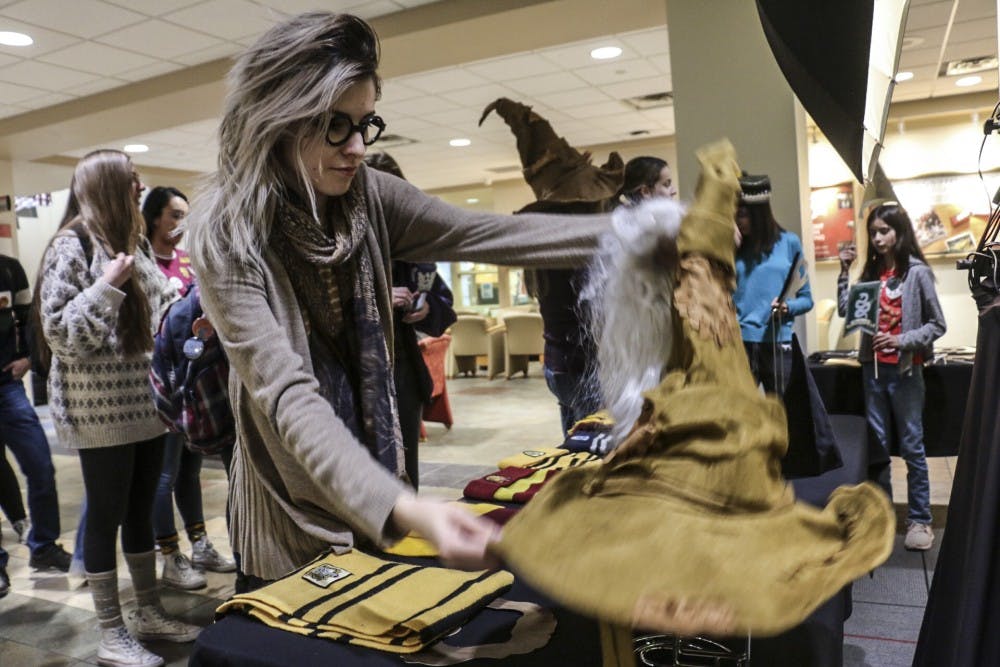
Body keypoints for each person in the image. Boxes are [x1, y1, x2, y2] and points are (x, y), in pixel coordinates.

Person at [187, 12, 607, 592]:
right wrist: (406, 510)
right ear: (277, 119)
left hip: (375, 499)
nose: (357, 147)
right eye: (336, 126)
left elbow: (482, 233)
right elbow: (286, 394)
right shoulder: (226, 235)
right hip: (286, 521)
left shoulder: (369, 197)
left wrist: (642, 234)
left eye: (366, 123)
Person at [37, 150, 200, 667]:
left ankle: (148, 610)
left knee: (139, 510)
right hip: (98, 409)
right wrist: (107, 286)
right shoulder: (71, 243)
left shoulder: (132, 243)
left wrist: (183, 312)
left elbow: (156, 309)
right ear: (107, 185)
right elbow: (61, 335)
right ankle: (112, 632)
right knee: (105, 515)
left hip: (146, 402)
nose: (140, 187)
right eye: (132, 181)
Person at [142, 186, 235, 590]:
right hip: (165, 376)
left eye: (185, 215)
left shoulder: (186, 261)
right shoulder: (144, 262)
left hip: (195, 373)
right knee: (164, 473)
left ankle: (200, 543)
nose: (180, 223)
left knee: (190, 470)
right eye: (173, 214)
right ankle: (170, 553)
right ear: (154, 218)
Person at [838, 202, 946, 551]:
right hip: (872, 372)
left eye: (884, 230)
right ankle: (882, 518)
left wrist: (901, 340)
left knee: (913, 446)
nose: (878, 237)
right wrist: (844, 271)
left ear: (899, 231)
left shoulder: (917, 273)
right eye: (873, 232)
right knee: (878, 449)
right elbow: (845, 310)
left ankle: (920, 520)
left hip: (906, 371)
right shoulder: (869, 275)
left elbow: (937, 324)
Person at [362, 153, 456, 490]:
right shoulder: (341, 242)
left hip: (403, 374)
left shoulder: (413, 246)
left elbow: (442, 301)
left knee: (406, 474)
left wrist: (427, 307)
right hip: (356, 378)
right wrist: (375, 301)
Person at [0, 252, 71, 572]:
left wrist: (29, 357)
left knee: (40, 465)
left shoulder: (10, 269)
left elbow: (28, 317)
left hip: (7, 386)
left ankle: (43, 546)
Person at [733, 173, 813, 394]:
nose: (738, 221)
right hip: (739, 344)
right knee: (741, 416)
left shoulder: (789, 243)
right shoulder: (733, 248)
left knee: (782, 414)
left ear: (758, 215)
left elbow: (807, 300)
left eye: (743, 215)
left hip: (778, 342)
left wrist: (788, 307)